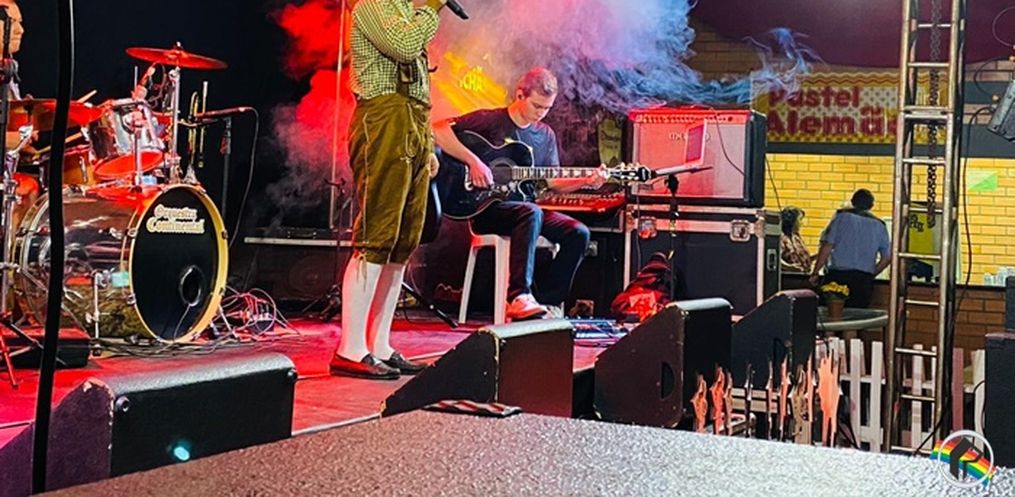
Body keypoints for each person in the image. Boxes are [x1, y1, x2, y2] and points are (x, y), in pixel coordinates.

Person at [329, 0, 448, 380]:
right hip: (383, 119)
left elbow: (420, 88)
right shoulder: (372, 4)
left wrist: (427, 145)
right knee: (377, 236)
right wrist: (432, 8)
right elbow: (404, 46)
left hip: (412, 122)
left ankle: (379, 344)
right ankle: (351, 348)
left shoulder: (405, 10)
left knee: (402, 242)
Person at [434, 67, 605, 321]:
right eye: (537, 106)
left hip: (526, 211)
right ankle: (518, 296)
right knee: (531, 212)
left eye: (547, 108)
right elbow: (438, 129)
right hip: (486, 209)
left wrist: (587, 181)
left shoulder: (545, 135)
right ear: (520, 95)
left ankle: (547, 302)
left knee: (578, 233)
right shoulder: (491, 120)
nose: (541, 113)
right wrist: (474, 162)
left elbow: (553, 182)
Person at [809, 189, 891, 308]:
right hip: (863, 280)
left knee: (831, 313)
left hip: (838, 277)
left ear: (852, 202)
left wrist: (816, 272)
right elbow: (887, 257)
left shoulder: (841, 218)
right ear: (871, 205)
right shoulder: (880, 225)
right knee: (858, 314)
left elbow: (827, 247)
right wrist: (872, 273)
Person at [779, 206, 812, 273]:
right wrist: (790, 268)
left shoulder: (797, 237)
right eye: (800, 220)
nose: (802, 223)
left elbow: (804, 259)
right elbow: (777, 260)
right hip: (790, 276)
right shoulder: (781, 238)